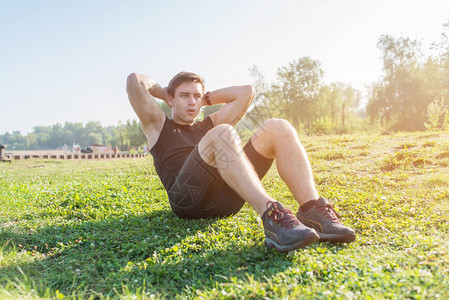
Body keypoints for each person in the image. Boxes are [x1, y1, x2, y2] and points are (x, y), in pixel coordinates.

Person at [126, 71, 355, 252]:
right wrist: (165, 90)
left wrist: (206, 98)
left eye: (196, 96)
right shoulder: (158, 125)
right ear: (171, 99)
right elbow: (135, 81)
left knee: (278, 127)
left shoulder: (208, 125)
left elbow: (247, 92)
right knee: (222, 133)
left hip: (226, 202)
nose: (192, 102)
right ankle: (271, 216)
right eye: (184, 95)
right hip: (187, 201)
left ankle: (312, 210)